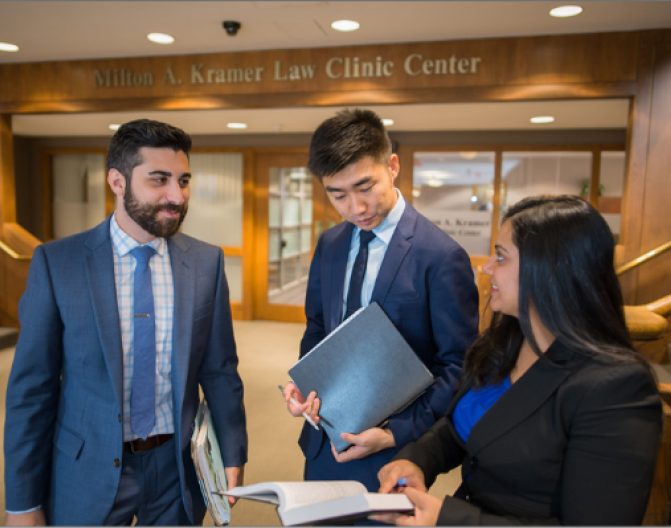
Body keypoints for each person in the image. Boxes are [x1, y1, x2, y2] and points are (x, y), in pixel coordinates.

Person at [4, 119, 248, 526]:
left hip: (177, 469)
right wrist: (22, 504)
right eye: (159, 180)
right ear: (117, 181)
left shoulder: (206, 263)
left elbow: (220, 370)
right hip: (87, 467)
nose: (177, 195)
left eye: (183, 180)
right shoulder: (58, 263)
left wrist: (233, 450)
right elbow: (32, 391)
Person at [376, 195, 663, 525]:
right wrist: (417, 460)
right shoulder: (507, 340)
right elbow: (465, 425)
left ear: (551, 270)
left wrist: (450, 520)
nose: (486, 267)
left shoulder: (617, 387)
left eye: (501, 256)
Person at [282, 109, 479, 491]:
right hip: (324, 445)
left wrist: (393, 435)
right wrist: (304, 385)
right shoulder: (331, 244)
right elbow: (319, 329)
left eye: (365, 187)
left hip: (394, 451)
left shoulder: (440, 255)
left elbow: (459, 366)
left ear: (392, 166)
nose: (355, 208)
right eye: (337, 195)